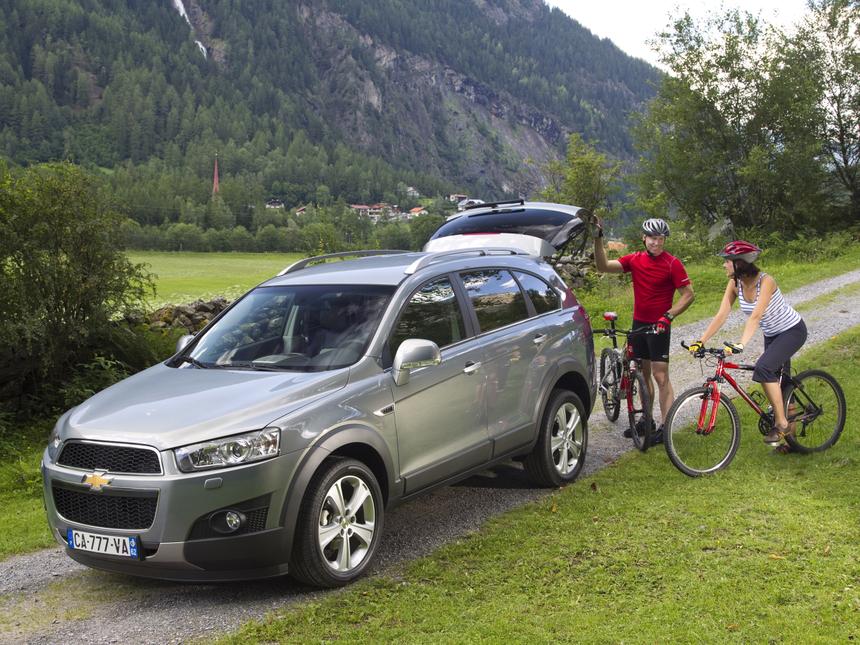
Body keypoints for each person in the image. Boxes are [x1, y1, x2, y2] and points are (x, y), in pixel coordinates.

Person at [687, 240, 807, 448]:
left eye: (727, 261)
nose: (724, 265)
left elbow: (756, 316)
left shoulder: (766, 281)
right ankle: (792, 444)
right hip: (772, 335)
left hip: (792, 331)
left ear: (740, 263)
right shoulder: (735, 284)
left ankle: (781, 424)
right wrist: (701, 340)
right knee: (783, 384)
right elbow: (722, 314)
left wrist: (742, 343)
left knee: (763, 369)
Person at [593, 217, 695, 442]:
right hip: (638, 325)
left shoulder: (672, 264)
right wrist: (597, 238)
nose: (656, 243)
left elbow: (688, 295)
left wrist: (668, 316)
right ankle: (646, 420)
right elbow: (603, 266)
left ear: (664, 240)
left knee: (660, 376)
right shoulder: (635, 259)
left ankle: (666, 429)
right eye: (652, 238)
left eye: (660, 239)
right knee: (642, 372)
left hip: (660, 326)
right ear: (644, 238)